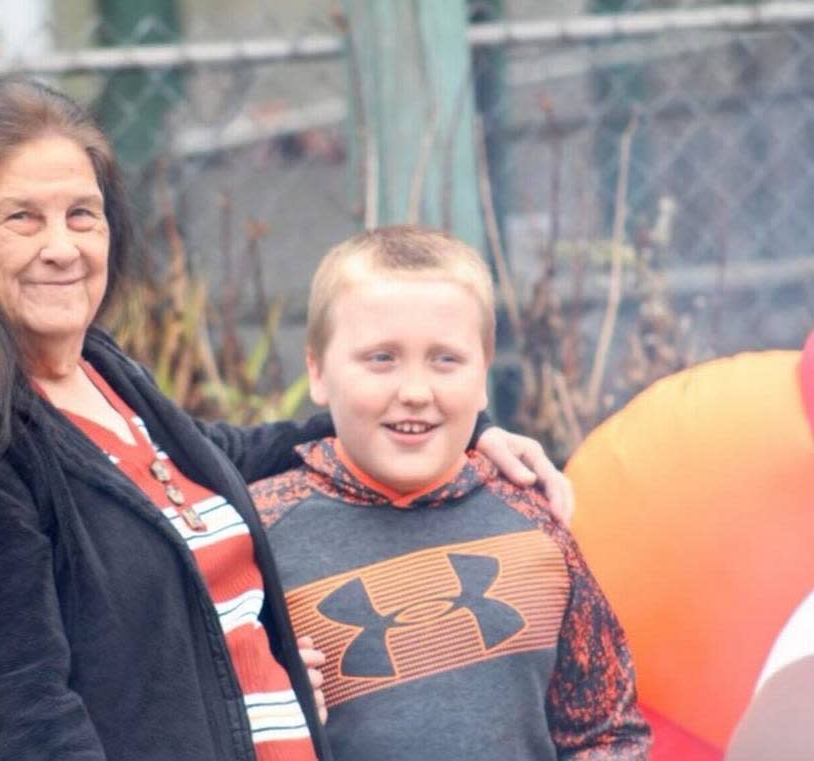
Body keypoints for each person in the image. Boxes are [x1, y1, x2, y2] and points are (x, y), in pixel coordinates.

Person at [0, 78, 571, 760]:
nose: (62, 247)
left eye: (82, 214)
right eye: (22, 219)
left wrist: (444, 424)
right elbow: (18, 724)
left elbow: (227, 457)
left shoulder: (103, 378)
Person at [251, 226, 651, 760]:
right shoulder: (255, 537)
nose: (415, 393)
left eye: (445, 360)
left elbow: (608, 731)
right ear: (318, 373)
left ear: (484, 377)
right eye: (381, 359)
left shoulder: (535, 522)